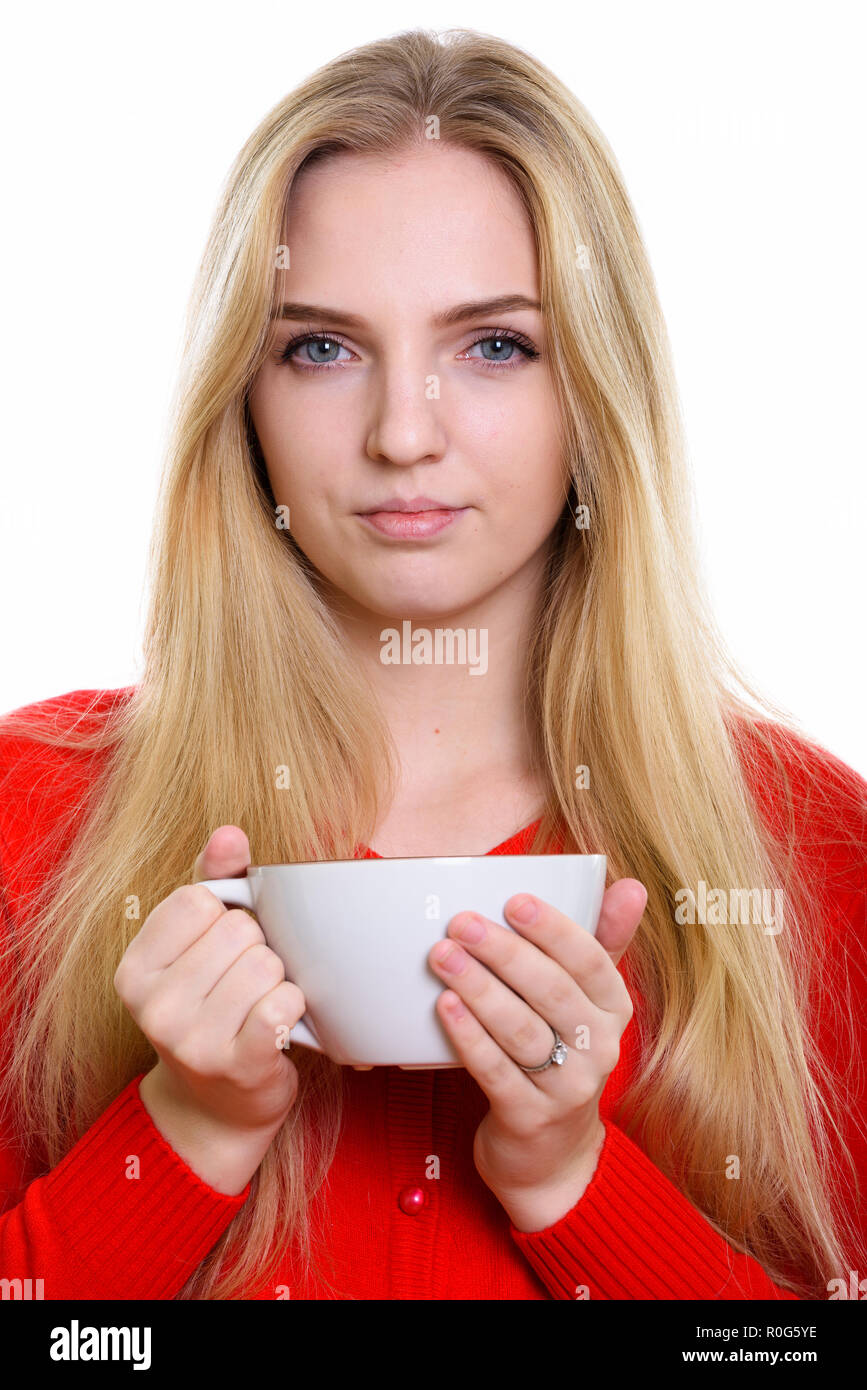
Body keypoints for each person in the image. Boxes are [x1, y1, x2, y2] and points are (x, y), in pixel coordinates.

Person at [0, 27, 864, 1302]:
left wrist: (576, 1181)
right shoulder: (31, 816)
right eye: (322, 347)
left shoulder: (819, 853)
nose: (405, 434)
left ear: (597, 391)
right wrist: (183, 1133)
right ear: (243, 396)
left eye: (495, 345)